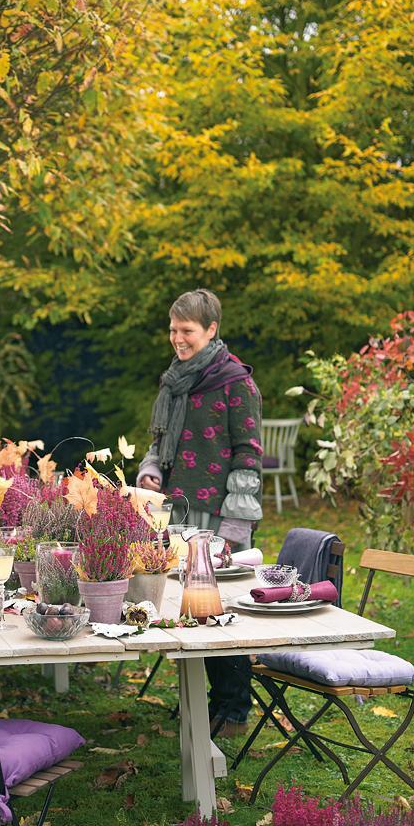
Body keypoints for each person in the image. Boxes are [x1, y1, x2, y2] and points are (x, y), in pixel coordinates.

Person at [137, 288, 263, 736]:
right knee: (191, 612)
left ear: (211, 331)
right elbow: (159, 442)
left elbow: (248, 455)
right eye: (173, 329)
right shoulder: (175, 381)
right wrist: (152, 472)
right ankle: (205, 701)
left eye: (186, 330)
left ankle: (234, 709)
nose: (177, 338)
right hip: (178, 514)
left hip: (220, 518)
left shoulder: (236, 384)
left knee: (222, 615)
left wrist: (234, 531)